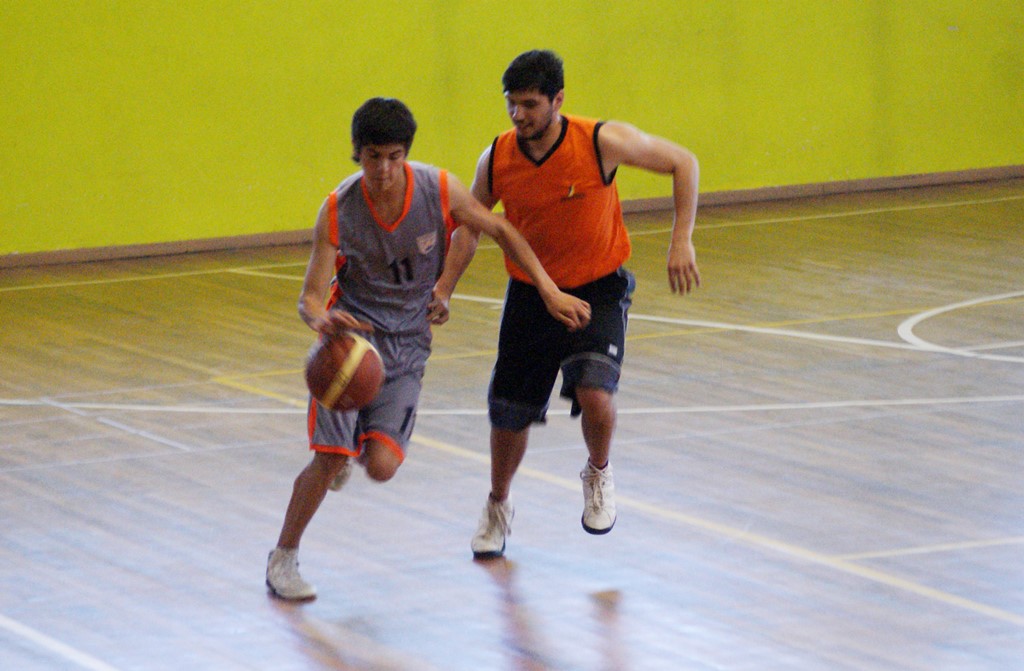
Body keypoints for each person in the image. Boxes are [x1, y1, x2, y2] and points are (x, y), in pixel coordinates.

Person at [266, 97, 591, 600]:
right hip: (350, 345)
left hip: (408, 346)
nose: (384, 169)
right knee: (327, 459)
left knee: (381, 467)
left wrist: (547, 290)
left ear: (407, 154)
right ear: (357, 152)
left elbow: (501, 229)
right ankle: (283, 558)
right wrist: (320, 317)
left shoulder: (438, 189)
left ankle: (354, 448)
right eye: (373, 156)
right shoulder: (338, 209)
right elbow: (310, 295)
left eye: (394, 156)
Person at [433, 49, 701, 559]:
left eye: (530, 104)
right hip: (531, 295)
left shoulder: (600, 141)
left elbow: (682, 162)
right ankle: (498, 503)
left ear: (557, 100)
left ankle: (598, 473)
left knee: (595, 393)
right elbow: (469, 226)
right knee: (508, 415)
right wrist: (444, 288)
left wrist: (680, 239)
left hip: (597, 287)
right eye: (511, 104)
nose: (518, 115)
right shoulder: (497, 158)